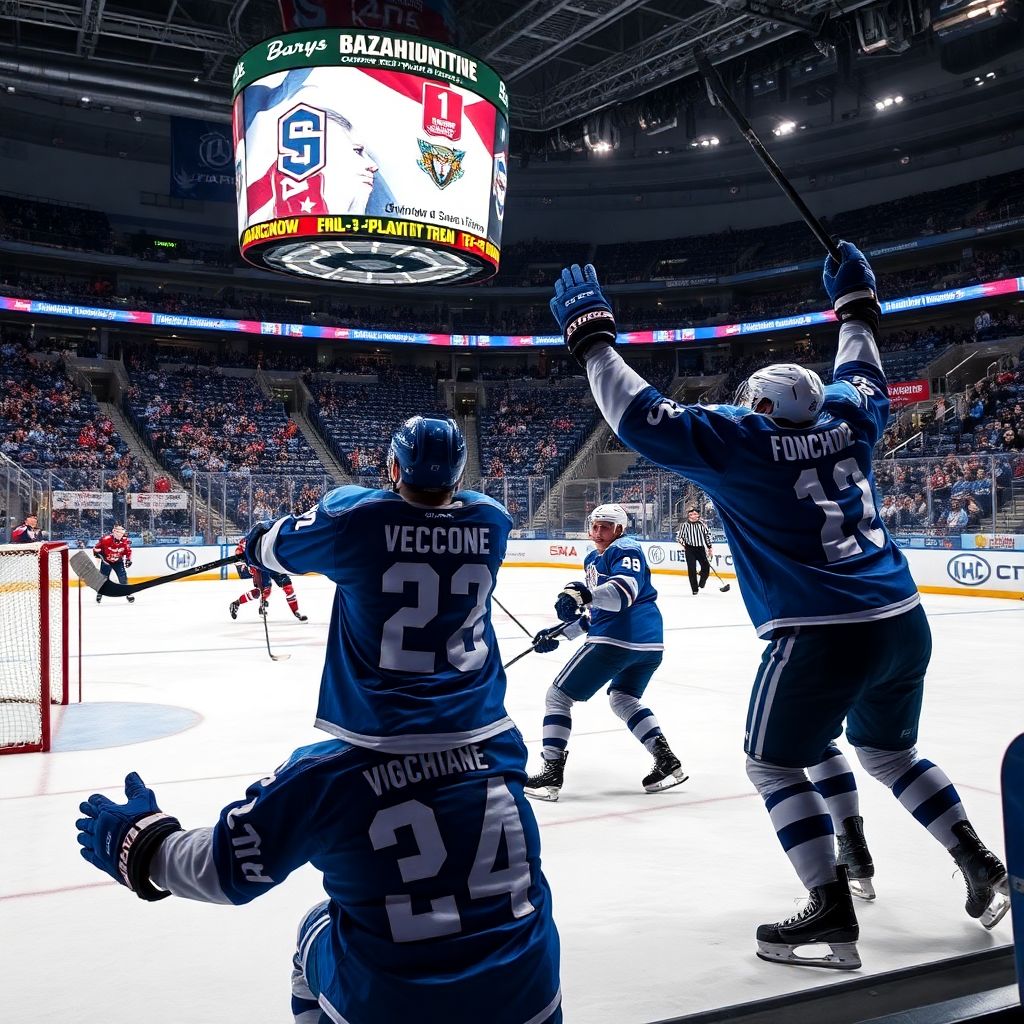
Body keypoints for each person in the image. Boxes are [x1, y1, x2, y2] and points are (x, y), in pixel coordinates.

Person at [547, 250, 1008, 970]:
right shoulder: (851, 421)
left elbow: (639, 417)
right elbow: (862, 370)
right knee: (890, 751)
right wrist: (856, 304)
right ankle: (981, 863)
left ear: (760, 406)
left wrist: (591, 336)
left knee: (771, 763)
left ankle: (830, 911)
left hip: (819, 632)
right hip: (902, 617)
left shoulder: (743, 443)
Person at [76, 416, 561, 1024]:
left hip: (394, 1007)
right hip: (533, 1000)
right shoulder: (492, 526)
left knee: (315, 931)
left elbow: (225, 870)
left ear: (392, 469)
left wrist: (142, 846)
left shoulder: (327, 778)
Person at [523, 502, 687, 802]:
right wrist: (557, 635)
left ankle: (550, 773)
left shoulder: (624, 549)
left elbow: (622, 594)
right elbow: (596, 613)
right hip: (648, 645)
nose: (598, 532)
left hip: (617, 640)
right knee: (623, 698)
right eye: (595, 526)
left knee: (558, 696)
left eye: (605, 527)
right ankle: (666, 759)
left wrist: (584, 594)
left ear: (620, 529)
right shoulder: (594, 558)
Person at [229, 537, 306, 622]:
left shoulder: (271, 534)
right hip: (259, 566)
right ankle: (238, 603)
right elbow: (240, 551)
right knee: (263, 590)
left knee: (288, 587)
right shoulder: (250, 539)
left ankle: (296, 611)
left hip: (273, 563)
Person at [675, 507, 714, 595]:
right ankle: (694, 589)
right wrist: (684, 545)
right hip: (690, 549)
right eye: (691, 514)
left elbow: (707, 536)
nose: (693, 516)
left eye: (695, 514)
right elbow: (679, 537)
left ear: (698, 515)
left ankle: (702, 582)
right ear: (689, 516)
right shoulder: (685, 525)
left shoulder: (702, 524)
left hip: (700, 548)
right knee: (692, 569)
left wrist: (709, 547)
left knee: (706, 567)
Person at [92, 524, 134, 604]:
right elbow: (96, 548)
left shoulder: (125, 541)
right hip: (106, 561)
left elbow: (128, 551)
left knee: (123, 577)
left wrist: (128, 559)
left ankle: (128, 593)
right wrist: (98, 554)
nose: (121, 534)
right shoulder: (105, 539)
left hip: (118, 561)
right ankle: (100, 593)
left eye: (122, 532)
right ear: (114, 532)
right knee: (103, 578)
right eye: (119, 532)